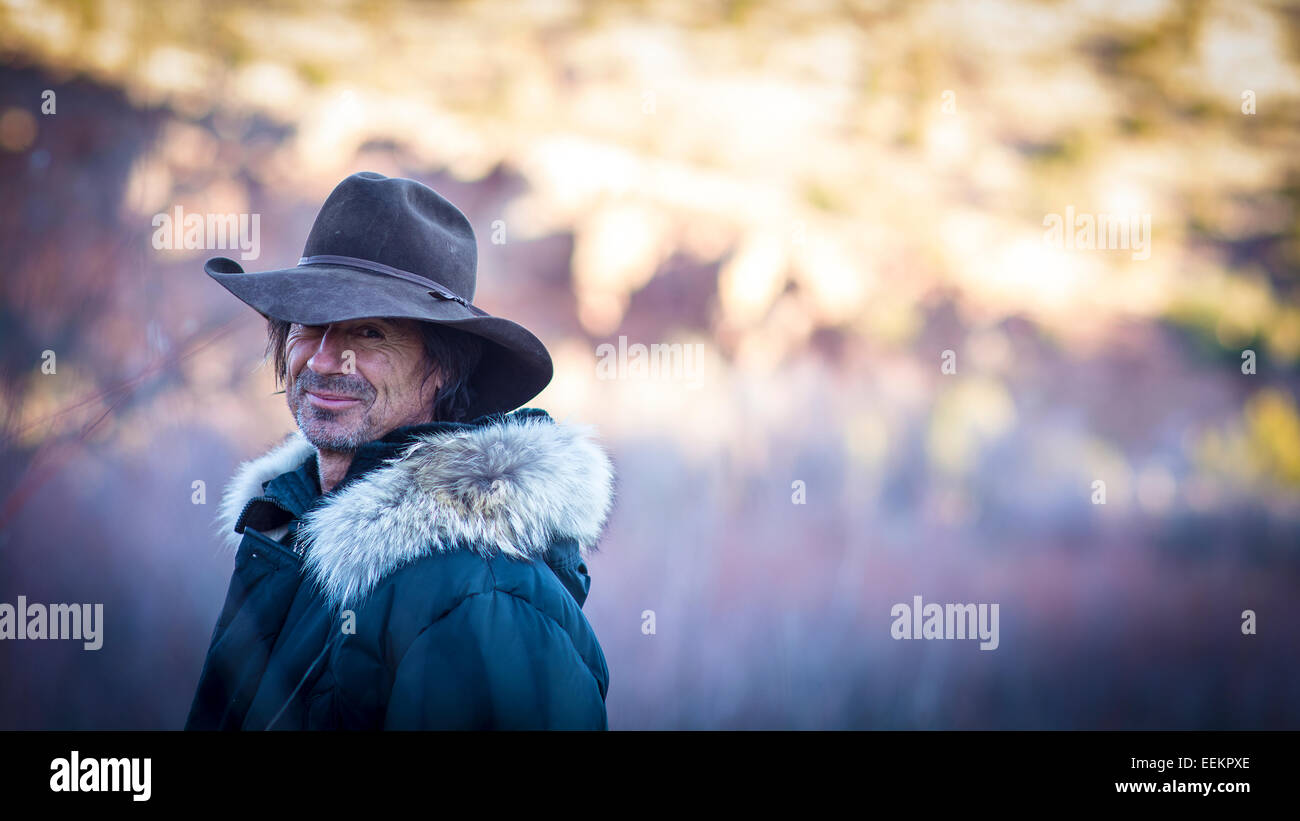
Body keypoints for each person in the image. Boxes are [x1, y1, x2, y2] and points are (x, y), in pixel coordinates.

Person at [185, 171, 615, 730]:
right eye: (309, 326)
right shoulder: (288, 532)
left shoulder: (483, 597)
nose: (321, 361)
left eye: (368, 334)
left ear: (443, 367)